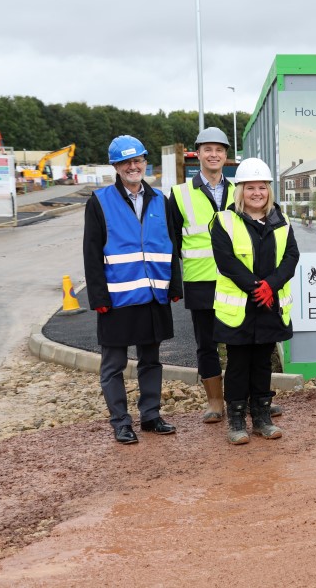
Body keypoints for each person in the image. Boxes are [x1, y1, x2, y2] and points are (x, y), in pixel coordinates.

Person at [169, 128, 284, 423]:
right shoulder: (180, 194)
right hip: (202, 279)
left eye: (219, 149)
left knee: (246, 341)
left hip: (239, 283)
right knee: (207, 343)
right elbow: (171, 242)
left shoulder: (242, 188)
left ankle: (249, 401)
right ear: (197, 153)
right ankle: (216, 402)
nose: (214, 154)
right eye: (207, 149)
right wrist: (174, 282)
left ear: (226, 155)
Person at [83, 135, 183, 444]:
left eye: (138, 159)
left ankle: (151, 416)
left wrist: (174, 285)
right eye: (126, 161)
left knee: (151, 360)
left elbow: (171, 245)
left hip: (153, 296)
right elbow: (91, 252)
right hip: (117, 298)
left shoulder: (160, 200)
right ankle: (121, 422)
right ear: (115, 166)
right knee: (113, 365)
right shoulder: (99, 201)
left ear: (144, 162)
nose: (133, 166)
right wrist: (98, 297)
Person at [210, 157, 299, 445]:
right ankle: (236, 420)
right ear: (240, 191)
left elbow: (291, 257)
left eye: (262, 187)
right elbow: (226, 262)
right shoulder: (225, 220)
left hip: (269, 305)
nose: (257, 193)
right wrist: (254, 287)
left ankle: (261, 417)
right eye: (250, 188)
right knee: (238, 363)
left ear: (268, 191)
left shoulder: (280, 220)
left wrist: (271, 285)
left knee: (262, 362)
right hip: (239, 309)